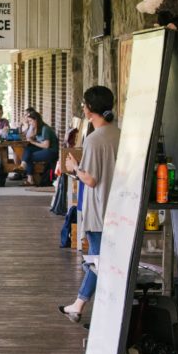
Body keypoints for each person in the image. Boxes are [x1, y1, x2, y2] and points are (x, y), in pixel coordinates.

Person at [60, 85, 120, 323]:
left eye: (84, 105)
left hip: (99, 209)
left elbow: (92, 179)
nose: (82, 108)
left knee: (97, 261)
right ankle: (79, 305)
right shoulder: (119, 134)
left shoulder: (95, 140)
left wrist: (74, 168)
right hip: (117, 207)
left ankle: (80, 305)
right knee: (103, 260)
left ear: (90, 109)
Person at [20, 111, 58, 186]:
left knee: (29, 157)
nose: (30, 123)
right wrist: (31, 132)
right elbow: (29, 137)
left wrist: (33, 142)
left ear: (36, 120)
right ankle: (23, 165)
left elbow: (46, 145)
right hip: (45, 150)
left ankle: (30, 179)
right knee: (28, 148)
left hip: (51, 151)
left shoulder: (45, 129)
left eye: (31, 121)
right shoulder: (38, 128)